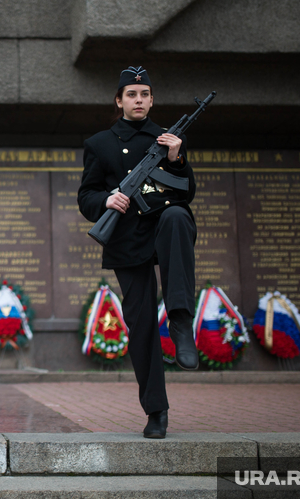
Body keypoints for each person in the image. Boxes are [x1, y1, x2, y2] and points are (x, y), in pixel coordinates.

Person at [77, 66, 198, 439]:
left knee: (178, 213)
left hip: (162, 226)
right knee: (142, 323)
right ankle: (156, 410)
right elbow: (86, 195)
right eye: (132, 94)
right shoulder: (100, 142)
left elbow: (186, 191)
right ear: (119, 100)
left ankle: (180, 320)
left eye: (145, 94)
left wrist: (177, 159)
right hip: (127, 237)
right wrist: (106, 199)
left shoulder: (167, 140)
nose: (139, 100)